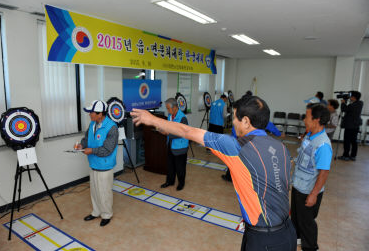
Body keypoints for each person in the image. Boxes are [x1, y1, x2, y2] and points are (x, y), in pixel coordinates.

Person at [131, 96, 296, 251]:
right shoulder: (281, 148)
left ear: (246, 121)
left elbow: (188, 132)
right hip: (287, 232)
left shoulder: (238, 147)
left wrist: (152, 119)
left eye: (235, 118)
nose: (233, 124)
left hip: (265, 240)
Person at [291, 103, 332, 251]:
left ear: (316, 120)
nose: (304, 119)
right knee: (295, 218)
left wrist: (314, 194)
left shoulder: (323, 145)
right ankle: (294, 240)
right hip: (298, 185)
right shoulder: (310, 135)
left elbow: (324, 172)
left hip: (308, 190)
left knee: (306, 222)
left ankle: (310, 247)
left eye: (307, 116)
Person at [75, 100, 118, 227]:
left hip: (105, 166)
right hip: (93, 164)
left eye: (92, 112)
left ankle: (106, 214)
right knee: (94, 191)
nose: (90, 115)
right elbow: (87, 138)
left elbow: (107, 149)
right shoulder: (93, 124)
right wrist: (82, 145)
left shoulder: (112, 127)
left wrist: (91, 150)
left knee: (104, 192)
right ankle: (96, 212)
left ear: (100, 114)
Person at [159, 98, 189, 191]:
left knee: (180, 166)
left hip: (180, 146)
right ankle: (170, 181)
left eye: (168, 108)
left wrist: (167, 133)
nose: (167, 110)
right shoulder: (170, 116)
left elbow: (182, 133)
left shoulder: (182, 118)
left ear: (175, 107)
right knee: (170, 165)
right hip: (170, 144)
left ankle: (181, 183)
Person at [338, 91, 363, 161]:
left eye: (351, 96)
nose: (350, 97)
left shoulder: (353, 105)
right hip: (355, 125)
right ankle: (353, 156)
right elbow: (349, 109)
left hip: (350, 126)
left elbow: (344, 109)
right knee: (354, 141)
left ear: (354, 97)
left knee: (347, 141)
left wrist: (343, 103)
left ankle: (346, 156)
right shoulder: (360, 103)